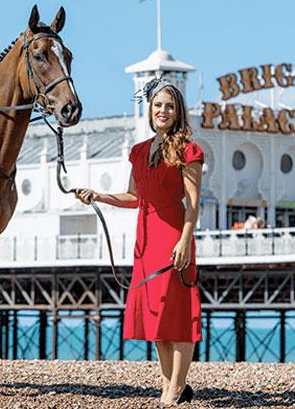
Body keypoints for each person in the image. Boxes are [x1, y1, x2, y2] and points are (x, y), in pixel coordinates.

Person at [75, 79, 203, 405]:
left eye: (170, 106)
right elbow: (134, 196)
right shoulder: (139, 152)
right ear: (150, 109)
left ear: (178, 112)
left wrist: (185, 242)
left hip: (174, 237)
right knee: (156, 319)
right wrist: (100, 196)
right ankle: (169, 387)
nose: (163, 111)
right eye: (158, 105)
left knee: (179, 318)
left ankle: (174, 390)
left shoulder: (189, 150)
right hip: (145, 243)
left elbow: (193, 204)